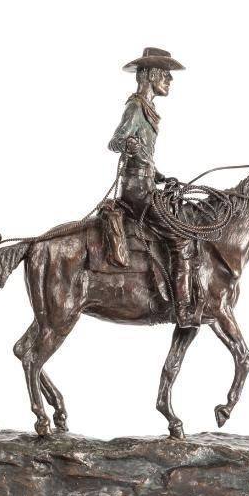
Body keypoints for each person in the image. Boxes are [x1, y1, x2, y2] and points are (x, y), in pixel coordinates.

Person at [105, 47, 196, 327]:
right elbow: (114, 142)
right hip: (136, 192)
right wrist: (127, 144)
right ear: (152, 75)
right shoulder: (135, 107)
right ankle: (183, 308)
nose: (170, 80)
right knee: (181, 239)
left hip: (145, 184)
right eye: (166, 75)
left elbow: (144, 156)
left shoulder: (148, 109)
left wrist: (159, 176)